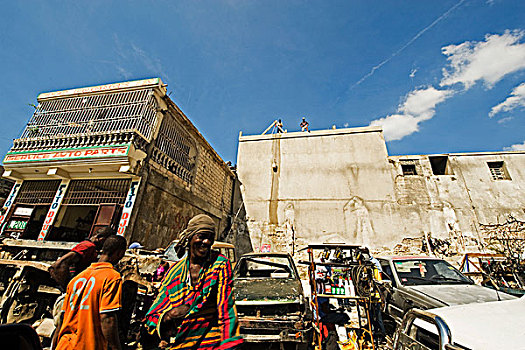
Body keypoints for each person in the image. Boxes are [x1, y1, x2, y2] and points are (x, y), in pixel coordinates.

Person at [145, 214, 243, 349]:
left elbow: (226, 307)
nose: (207, 242)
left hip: (210, 342)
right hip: (180, 342)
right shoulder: (174, 273)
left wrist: (229, 342)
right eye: (202, 237)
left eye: (210, 238)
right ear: (190, 238)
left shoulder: (219, 264)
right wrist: (169, 315)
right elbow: (153, 314)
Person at [53, 235, 127, 350]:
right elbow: (107, 318)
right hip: (87, 344)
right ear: (120, 253)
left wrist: (54, 346)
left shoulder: (76, 279)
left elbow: (62, 319)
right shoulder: (112, 277)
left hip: (64, 345)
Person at [49, 226, 114, 290]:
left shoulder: (88, 246)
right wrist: (67, 287)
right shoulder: (88, 246)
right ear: (100, 238)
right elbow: (59, 264)